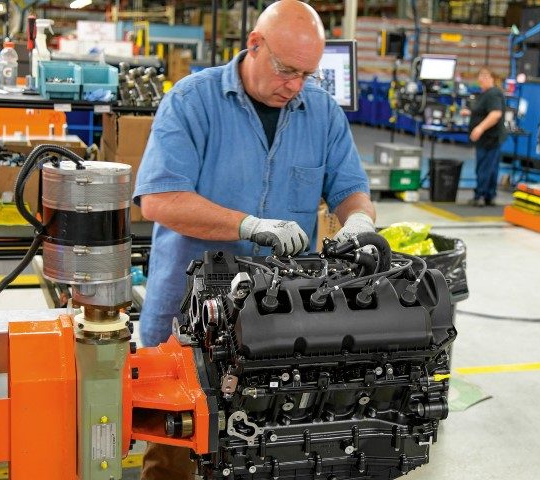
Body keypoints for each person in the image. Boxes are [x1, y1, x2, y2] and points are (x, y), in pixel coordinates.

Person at [132, 1, 376, 478]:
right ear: (254, 46)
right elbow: (159, 199)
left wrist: (360, 222)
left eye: (308, 74)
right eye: (287, 70)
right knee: (175, 454)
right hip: (190, 318)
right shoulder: (192, 101)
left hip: (281, 319)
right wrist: (250, 225)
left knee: (274, 446)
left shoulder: (322, 114)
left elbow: (350, 191)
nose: (296, 86)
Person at [464, 67, 507, 207]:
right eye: (480, 75)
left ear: (493, 78)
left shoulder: (493, 94)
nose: (481, 78)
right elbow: (483, 112)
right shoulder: (485, 94)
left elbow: (495, 114)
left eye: (485, 76)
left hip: (490, 138)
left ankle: (480, 196)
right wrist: (470, 113)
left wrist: (480, 128)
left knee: (485, 168)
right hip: (487, 139)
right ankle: (489, 195)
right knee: (489, 167)